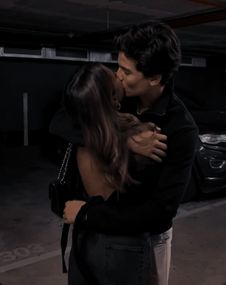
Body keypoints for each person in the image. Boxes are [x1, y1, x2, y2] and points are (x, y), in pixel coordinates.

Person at [51, 22, 198, 285]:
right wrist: (124, 140)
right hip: (95, 230)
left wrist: (87, 214)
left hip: (145, 241)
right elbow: (62, 121)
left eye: (126, 71)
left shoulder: (180, 128)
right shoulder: (120, 93)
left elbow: (160, 212)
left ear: (154, 78)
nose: (117, 75)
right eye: (117, 65)